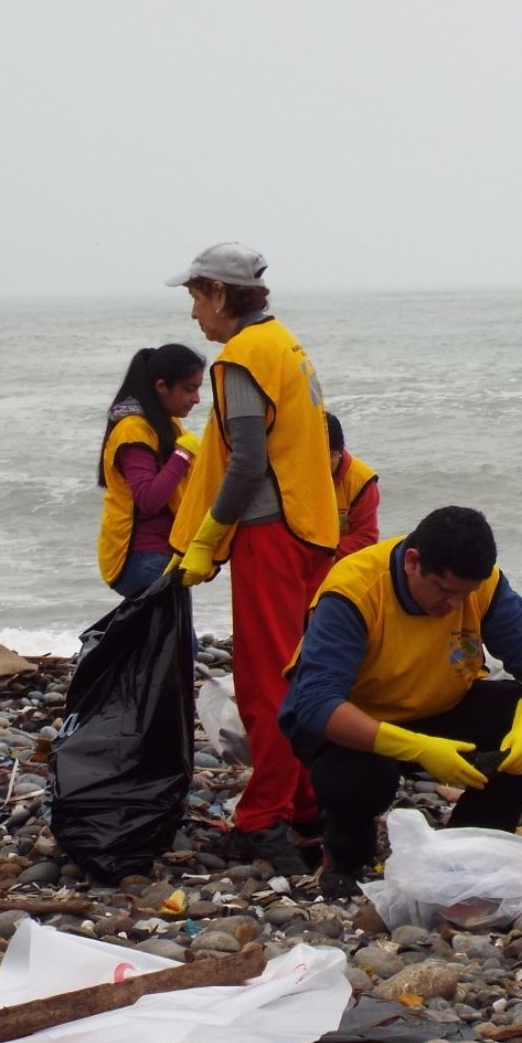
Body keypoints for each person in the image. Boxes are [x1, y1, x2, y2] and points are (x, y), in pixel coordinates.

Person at [278, 506, 522, 899]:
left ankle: (473, 845)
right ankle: (345, 856)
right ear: (412, 563)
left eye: (463, 594)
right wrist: (418, 748)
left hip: (439, 706)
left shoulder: (479, 586)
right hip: (358, 724)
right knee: (363, 779)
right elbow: (315, 702)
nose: (454, 604)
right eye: (444, 591)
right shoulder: (355, 590)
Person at [166, 243, 339, 874]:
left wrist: (209, 537)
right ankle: (306, 805)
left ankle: (263, 820)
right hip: (309, 528)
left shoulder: (242, 358)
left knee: (268, 684)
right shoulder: (286, 345)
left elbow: (245, 463)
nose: (193, 317)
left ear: (218, 292)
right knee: (303, 672)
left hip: (270, 532)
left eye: (194, 299)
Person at [97, 345, 204, 599]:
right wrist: (183, 454)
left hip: (163, 552)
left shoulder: (164, 422)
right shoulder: (133, 430)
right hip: (141, 558)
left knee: (163, 638)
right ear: (161, 387)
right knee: (176, 639)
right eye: (189, 389)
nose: (197, 398)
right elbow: (148, 499)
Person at [327, 411, 379, 560]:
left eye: (331, 455)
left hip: (341, 565)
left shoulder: (362, 481)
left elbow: (365, 539)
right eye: (318, 454)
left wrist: (321, 550)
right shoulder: (295, 474)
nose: (324, 462)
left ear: (341, 451)